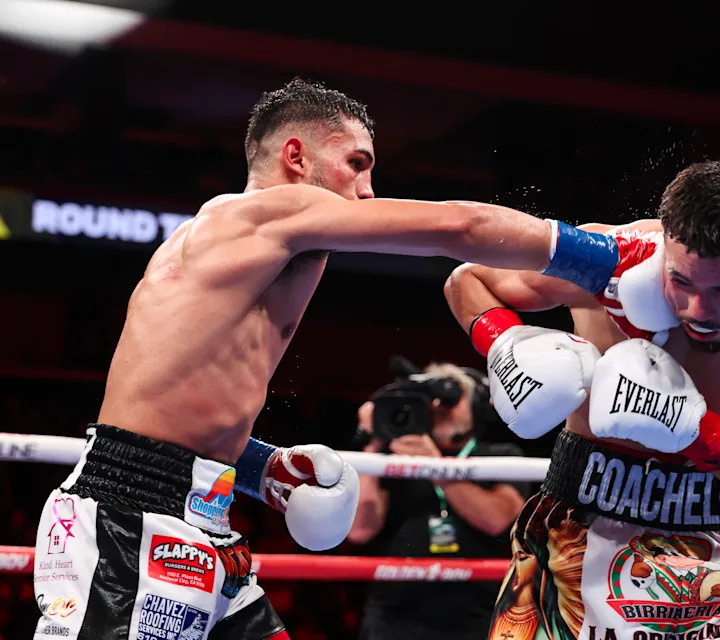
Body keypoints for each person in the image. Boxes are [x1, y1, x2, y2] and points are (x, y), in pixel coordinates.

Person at [30, 77, 657, 640]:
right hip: (130, 519)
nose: (367, 189)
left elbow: (161, 406)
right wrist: (610, 257)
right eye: (355, 164)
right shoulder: (267, 212)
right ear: (295, 157)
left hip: (193, 517)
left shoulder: (231, 244)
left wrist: (261, 468)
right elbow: (458, 228)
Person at [444, 159, 720, 640]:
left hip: (715, 539)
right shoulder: (602, 260)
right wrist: (505, 344)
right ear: (664, 247)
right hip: (579, 523)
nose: (699, 310)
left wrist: (692, 428)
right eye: (682, 281)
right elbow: (467, 279)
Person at [347, 359, 530, 640]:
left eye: (450, 399)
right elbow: (359, 529)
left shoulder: (500, 455)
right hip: (394, 619)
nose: (439, 408)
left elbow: (496, 520)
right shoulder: (392, 460)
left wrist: (433, 464)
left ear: (477, 406)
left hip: (479, 617)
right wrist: (374, 441)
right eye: (430, 400)